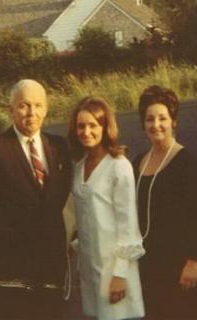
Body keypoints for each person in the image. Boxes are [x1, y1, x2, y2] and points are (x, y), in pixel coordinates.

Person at [0, 79, 72, 319]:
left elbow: (61, 198)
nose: (31, 113)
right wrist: (7, 245)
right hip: (9, 273)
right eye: (24, 105)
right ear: (10, 109)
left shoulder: (59, 147)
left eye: (37, 105)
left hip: (51, 269)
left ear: (46, 109)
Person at [133, 85, 197, 320]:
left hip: (183, 267)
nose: (156, 125)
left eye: (162, 118)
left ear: (173, 121)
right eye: (149, 119)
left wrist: (194, 260)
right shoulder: (138, 163)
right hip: (153, 267)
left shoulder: (187, 164)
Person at [68, 96, 145, 320]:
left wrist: (120, 275)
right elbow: (85, 218)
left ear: (105, 127)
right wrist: (74, 246)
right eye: (81, 126)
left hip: (115, 272)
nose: (86, 131)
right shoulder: (79, 167)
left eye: (93, 125)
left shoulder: (119, 166)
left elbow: (128, 224)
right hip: (90, 269)